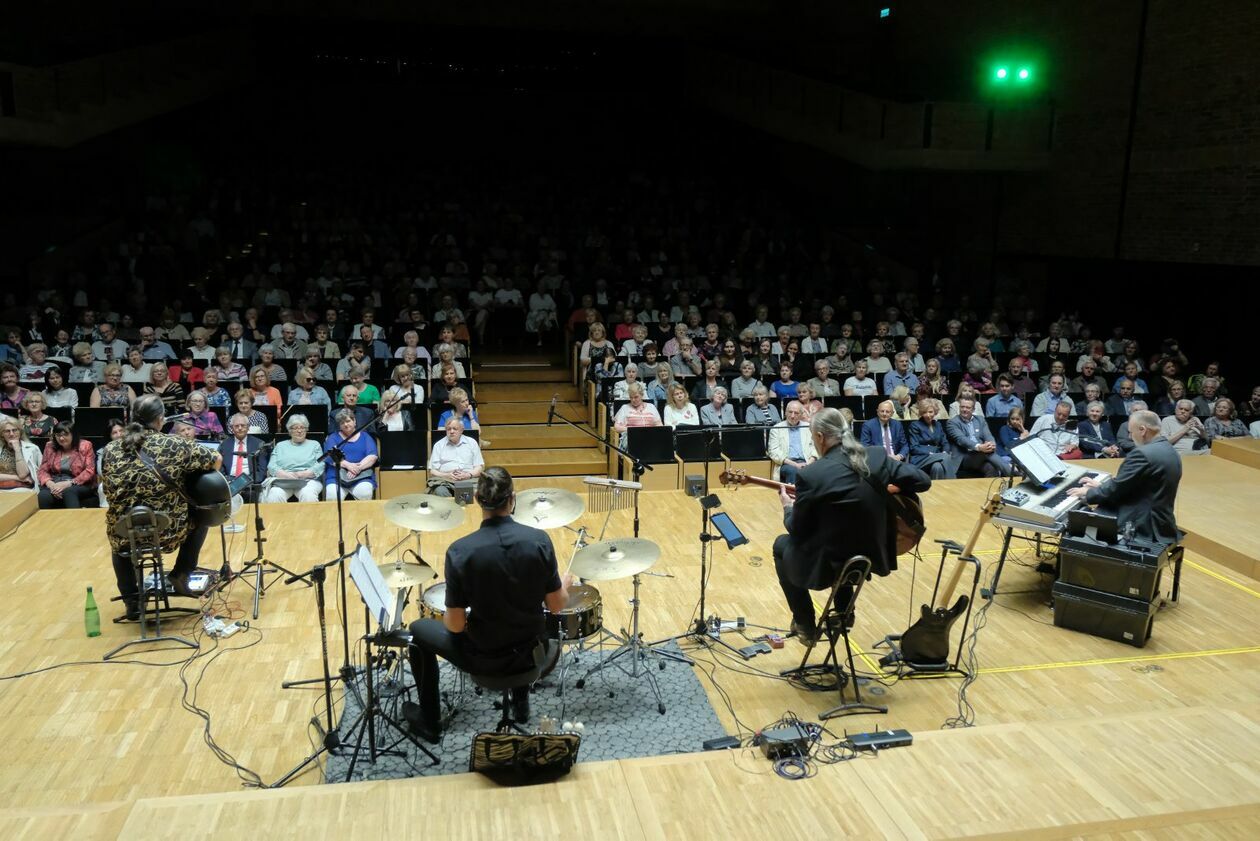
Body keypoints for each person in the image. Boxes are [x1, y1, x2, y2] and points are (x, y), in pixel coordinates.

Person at [404, 467, 569, 741]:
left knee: (418, 630)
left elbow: (456, 626)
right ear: (512, 500)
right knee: (519, 614)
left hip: (484, 659)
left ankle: (429, 722)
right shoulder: (539, 541)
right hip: (532, 654)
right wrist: (565, 584)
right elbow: (556, 606)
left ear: (478, 501)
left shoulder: (460, 552)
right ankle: (521, 703)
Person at [773, 409, 931, 641]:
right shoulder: (876, 457)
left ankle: (805, 623)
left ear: (820, 437)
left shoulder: (812, 475)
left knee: (781, 544)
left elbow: (796, 528)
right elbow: (923, 481)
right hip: (869, 558)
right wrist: (887, 487)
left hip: (827, 565)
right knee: (843, 530)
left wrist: (788, 507)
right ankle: (844, 612)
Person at [100, 394, 221, 618]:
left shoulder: (110, 450)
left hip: (125, 534)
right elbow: (216, 459)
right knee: (201, 516)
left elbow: (108, 490)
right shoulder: (175, 444)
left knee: (120, 544)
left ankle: (132, 601)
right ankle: (181, 573)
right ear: (160, 419)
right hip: (168, 532)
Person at [1067, 410, 1181, 543]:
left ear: (1142, 430)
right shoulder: (1169, 449)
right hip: (1162, 522)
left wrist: (1089, 492)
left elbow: (1115, 489)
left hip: (1142, 524)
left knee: (1076, 522)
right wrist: (1101, 486)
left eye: (1131, 432)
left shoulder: (1142, 453)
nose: (1130, 437)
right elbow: (1135, 486)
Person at [261, 414, 324, 503]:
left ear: (306, 429)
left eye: (302, 427)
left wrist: (302, 474)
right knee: (274, 494)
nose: (299, 431)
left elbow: (321, 464)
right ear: (289, 431)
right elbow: (271, 465)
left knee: (308, 494)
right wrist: (284, 474)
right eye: (295, 428)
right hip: (284, 481)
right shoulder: (280, 445)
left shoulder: (314, 444)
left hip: (308, 480)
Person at [946, 396, 1012, 477]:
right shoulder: (952, 422)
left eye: (968, 407)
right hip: (964, 457)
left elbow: (988, 435)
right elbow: (961, 439)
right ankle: (1013, 473)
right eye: (962, 407)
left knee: (991, 468)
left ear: (973, 409)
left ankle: (992, 489)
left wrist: (992, 444)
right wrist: (980, 447)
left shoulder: (980, 419)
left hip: (981, 455)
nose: (964, 409)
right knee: (986, 453)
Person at [36, 422, 96, 509]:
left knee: (69, 492)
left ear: (73, 434)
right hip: (55, 482)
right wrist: (51, 484)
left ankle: (74, 521)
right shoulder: (50, 446)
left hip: (79, 483)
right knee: (43, 496)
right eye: (58, 435)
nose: (61, 438)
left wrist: (69, 483)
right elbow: (43, 470)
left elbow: (90, 470)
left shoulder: (85, 445)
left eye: (65, 435)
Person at [323, 408, 378, 501]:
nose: (346, 424)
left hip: (361, 475)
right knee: (333, 495)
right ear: (339, 425)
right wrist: (349, 466)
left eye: (348, 421)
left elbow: (372, 456)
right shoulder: (333, 437)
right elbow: (331, 456)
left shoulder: (365, 436)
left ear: (354, 421)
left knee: (364, 492)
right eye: (342, 422)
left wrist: (357, 468)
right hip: (336, 477)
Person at [428, 415, 485, 496]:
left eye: (455, 429)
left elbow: (479, 467)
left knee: (477, 491)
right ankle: (449, 509)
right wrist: (446, 475)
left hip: (468, 479)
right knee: (440, 491)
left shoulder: (472, 442)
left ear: (462, 430)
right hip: (445, 481)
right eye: (449, 429)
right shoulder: (438, 445)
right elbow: (432, 471)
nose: (451, 431)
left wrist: (468, 475)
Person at [219, 413, 269, 502]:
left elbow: (262, 471)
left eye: (243, 425)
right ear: (231, 428)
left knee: (251, 495)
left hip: (250, 483)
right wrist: (227, 481)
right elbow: (220, 467)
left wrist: (245, 482)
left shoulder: (259, 444)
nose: (240, 428)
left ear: (248, 427)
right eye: (236, 426)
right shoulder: (224, 444)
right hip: (230, 482)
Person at [767, 400, 817, 483]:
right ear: (785, 413)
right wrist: (796, 465)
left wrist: (809, 463)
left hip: (808, 462)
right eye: (790, 412)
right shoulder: (776, 429)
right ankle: (792, 496)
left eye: (796, 413)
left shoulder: (809, 427)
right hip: (787, 463)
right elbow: (773, 452)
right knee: (793, 471)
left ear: (801, 415)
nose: (792, 416)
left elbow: (816, 447)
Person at [908, 400, 955, 479]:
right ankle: (954, 484)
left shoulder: (938, 425)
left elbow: (945, 442)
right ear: (921, 413)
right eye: (924, 412)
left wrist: (944, 451)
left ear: (935, 412)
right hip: (920, 459)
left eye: (930, 412)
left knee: (937, 467)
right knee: (946, 457)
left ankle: (937, 490)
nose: (928, 415)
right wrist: (932, 452)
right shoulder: (915, 425)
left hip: (937, 457)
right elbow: (914, 447)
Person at [0, 415, 42, 492]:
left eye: (15, 430)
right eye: (7, 431)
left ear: (20, 432)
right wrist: (16, 478)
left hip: (22, 488)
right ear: (2, 434)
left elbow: (23, 474)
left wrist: (17, 450)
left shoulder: (32, 449)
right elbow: (22, 478)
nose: (11, 434)